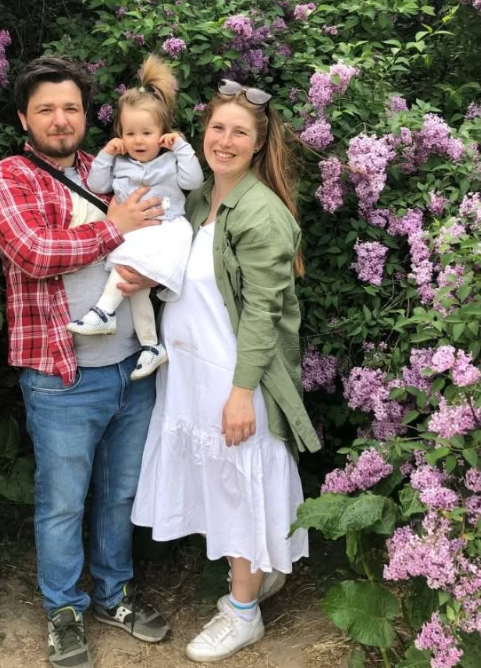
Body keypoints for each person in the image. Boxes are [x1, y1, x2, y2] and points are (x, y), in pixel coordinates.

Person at [0, 56, 170, 668]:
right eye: (46, 110)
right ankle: (63, 609)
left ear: (86, 115)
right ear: (23, 118)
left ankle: (114, 594)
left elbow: (158, 226)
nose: (60, 120)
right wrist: (114, 227)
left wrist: (153, 263)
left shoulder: (109, 167)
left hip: (134, 365)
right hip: (61, 375)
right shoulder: (4, 178)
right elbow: (34, 252)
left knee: (119, 495)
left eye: (71, 108)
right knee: (62, 502)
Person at [127, 79, 322, 662]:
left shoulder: (260, 213)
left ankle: (242, 613)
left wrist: (241, 393)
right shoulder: (201, 199)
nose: (225, 140)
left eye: (240, 132)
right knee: (221, 485)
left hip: (235, 380)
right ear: (202, 131)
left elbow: (263, 312)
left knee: (240, 488)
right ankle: (258, 573)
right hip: (192, 376)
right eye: (217, 127)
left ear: (259, 144)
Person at [67, 54, 204, 381]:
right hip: (138, 234)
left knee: (127, 269)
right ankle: (151, 346)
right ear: (120, 134)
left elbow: (194, 182)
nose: (138, 140)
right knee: (134, 287)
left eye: (146, 132)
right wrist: (106, 154)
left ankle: (103, 311)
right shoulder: (120, 163)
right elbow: (97, 185)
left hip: (166, 230)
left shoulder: (170, 160)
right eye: (130, 133)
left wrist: (181, 147)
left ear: (162, 133)